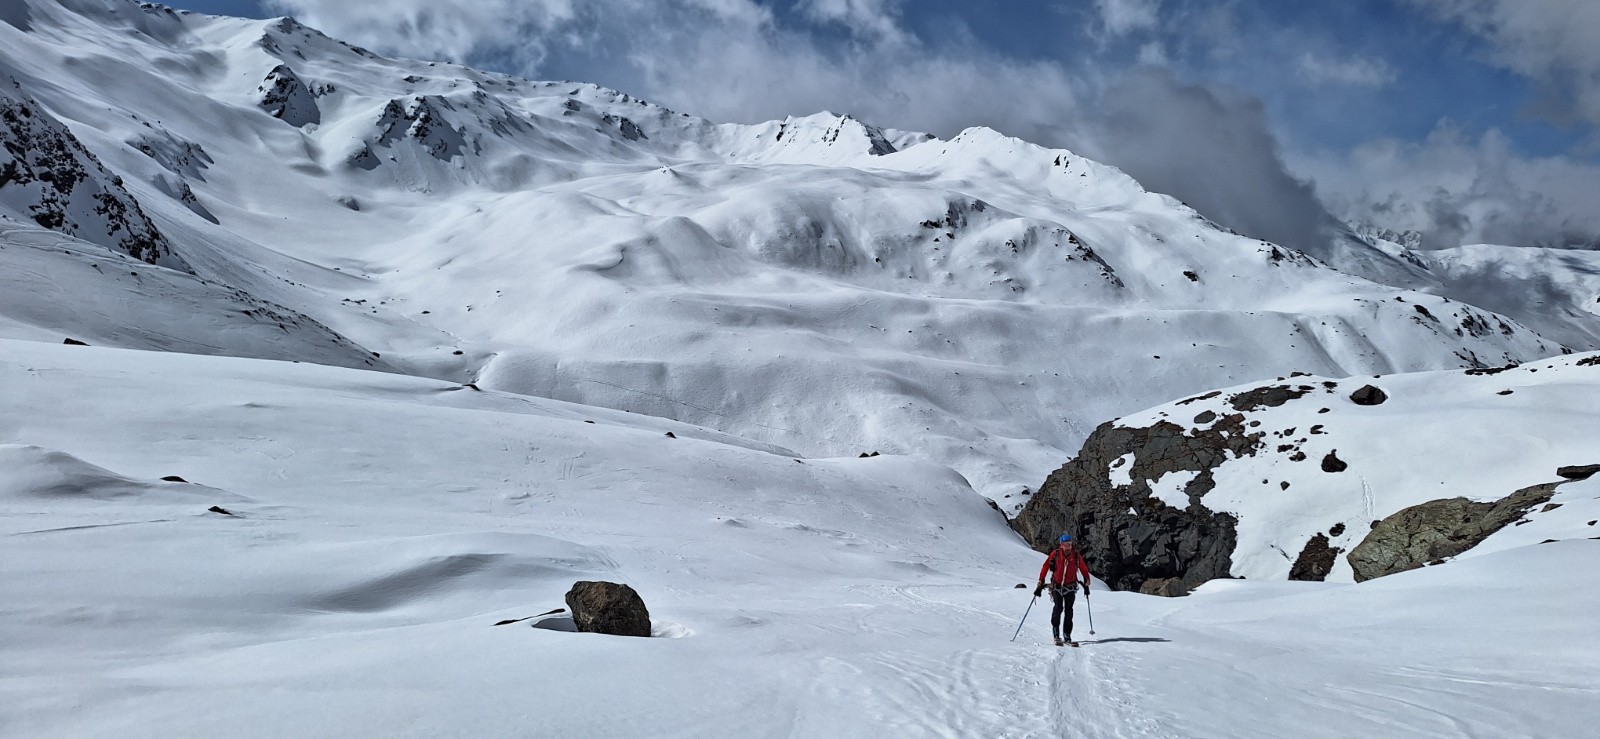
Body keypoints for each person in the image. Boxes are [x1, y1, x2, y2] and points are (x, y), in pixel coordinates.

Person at [1034, 534, 1091, 647]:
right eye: (1065, 545)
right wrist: (1041, 580)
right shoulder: (1055, 554)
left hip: (1071, 587)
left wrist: (1087, 579)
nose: (1068, 547)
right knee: (1058, 608)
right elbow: (1045, 566)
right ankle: (1056, 634)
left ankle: (1067, 635)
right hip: (1056, 586)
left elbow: (1083, 568)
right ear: (1061, 545)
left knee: (1069, 611)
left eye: (1069, 544)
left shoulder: (1075, 555)